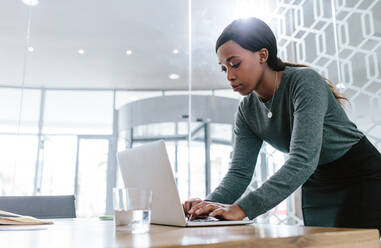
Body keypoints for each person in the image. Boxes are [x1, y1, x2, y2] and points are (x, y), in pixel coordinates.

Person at [183, 17, 381, 233]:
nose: (230, 76)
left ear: (262, 55)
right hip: (317, 180)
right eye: (224, 69)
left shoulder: (304, 82)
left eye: (235, 64)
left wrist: (242, 208)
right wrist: (203, 209)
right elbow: (239, 173)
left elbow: (303, 159)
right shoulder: (246, 110)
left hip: (361, 175)